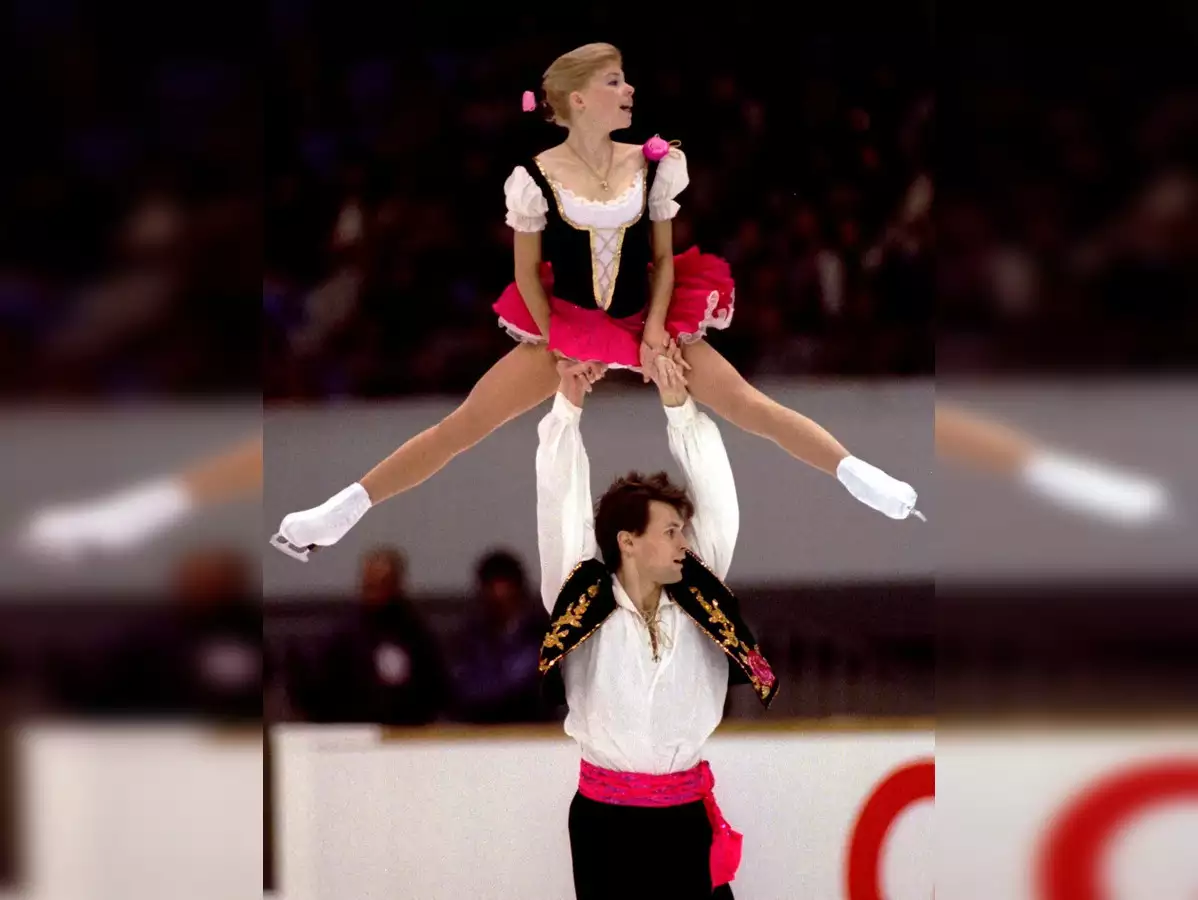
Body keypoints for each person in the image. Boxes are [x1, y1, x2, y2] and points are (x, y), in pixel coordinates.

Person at [270, 42, 920, 562]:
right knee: (462, 426)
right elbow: (527, 274)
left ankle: (861, 477)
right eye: (614, 81)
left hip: (650, 315)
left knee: (751, 405)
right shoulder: (533, 178)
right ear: (578, 99)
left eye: (626, 79)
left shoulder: (657, 162)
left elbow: (663, 258)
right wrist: (559, 339)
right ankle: (341, 510)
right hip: (569, 320)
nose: (629, 89)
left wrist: (657, 332)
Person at [537, 346, 763, 898]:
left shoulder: (699, 595)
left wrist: (678, 405)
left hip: (685, 818)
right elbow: (559, 502)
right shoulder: (578, 600)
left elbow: (719, 502)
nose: (683, 542)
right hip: (605, 825)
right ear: (627, 541)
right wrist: (567, 407)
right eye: (669, 532)